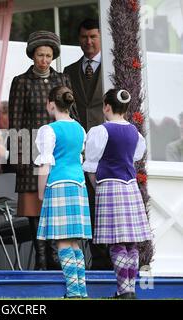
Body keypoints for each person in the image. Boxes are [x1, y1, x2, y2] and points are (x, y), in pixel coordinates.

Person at [8, 30, 78, 270]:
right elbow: (15, 121)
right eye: (40, 55)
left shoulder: (63, 80)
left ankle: (55, 256)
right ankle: (40, 258)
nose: (44, 60)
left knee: (56, 203)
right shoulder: (21, 81)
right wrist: (18, 155)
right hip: (31, 151)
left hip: (59, 152)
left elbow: (72, 114)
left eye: (49, 55)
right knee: (33, 208)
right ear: (32, 55)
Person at [83, 89, 152, 299]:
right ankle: (128, 290)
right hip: (130, 186)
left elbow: (91, 165)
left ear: (106, 106)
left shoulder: (100, 131)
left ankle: (125, 291)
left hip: (110, 185)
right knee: (130, 241)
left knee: (116, 241)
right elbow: (136, 156)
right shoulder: (134, 132)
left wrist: (97, 186)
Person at [35, 86, 92, 298]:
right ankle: (80, 291)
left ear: (51, 104)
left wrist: (41, 193)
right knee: (75, 242)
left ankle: (73, 292)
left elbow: (44, 165)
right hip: (78, 185)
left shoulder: (49, 130)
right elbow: (79, 159)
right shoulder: (80, 129)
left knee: (62, 241)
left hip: (58, 184)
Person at [64, 19, 111, 270]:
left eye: (93, 37)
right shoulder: (69, 71)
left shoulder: (113, 68)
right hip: (80, 148)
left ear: (101, 37)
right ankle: (96, 258)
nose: (88, 42)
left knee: (107, 202)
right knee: (88, 202)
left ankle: (108, 259)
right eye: (84, 37)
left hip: (108, 146)